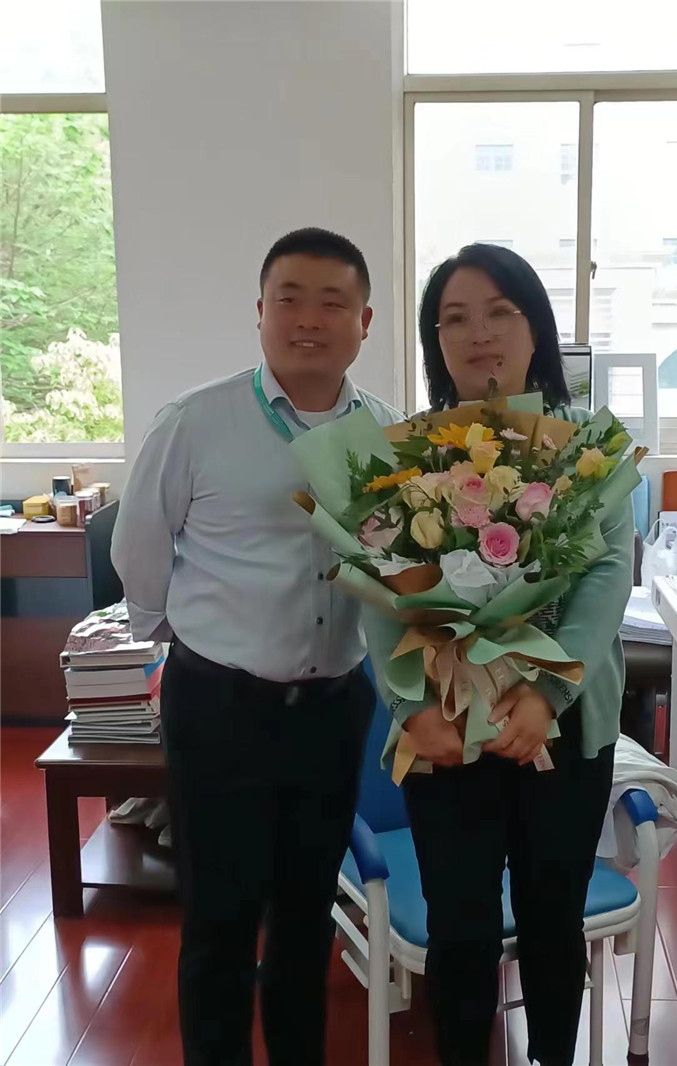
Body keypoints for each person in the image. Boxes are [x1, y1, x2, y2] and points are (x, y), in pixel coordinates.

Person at [111, 227, 403, 1066]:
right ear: (261, 312)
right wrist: (180, 636)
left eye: (333, 302)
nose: (309, 319)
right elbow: (139, 547)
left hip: (333, 709)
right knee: (220, 923)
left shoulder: (387, 436)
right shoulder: (195, 422)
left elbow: (397, 567)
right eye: (290, 299)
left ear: (364, 321)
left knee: (307, 918)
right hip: (220, 708)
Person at [396, 243, 634, 1066]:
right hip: (446, 725)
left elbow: (605, 576)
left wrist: (546, 694)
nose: (480, 333)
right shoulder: (411, 454)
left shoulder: (591, 446)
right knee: (460, 927)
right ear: (435, 341)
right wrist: (411, 708)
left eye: (501, 311)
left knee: (552, 918)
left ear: (536, 326)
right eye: (454, 318)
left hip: (564, 726)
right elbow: (377, 593)